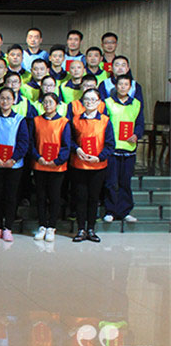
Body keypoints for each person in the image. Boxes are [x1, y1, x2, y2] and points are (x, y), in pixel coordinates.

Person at [69, 89, 115, 242]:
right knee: (80, 197)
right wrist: (77, 149)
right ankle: (81, 229)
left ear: (99, 102)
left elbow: (110, 144)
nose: (89, 102)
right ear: (82, 101)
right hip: (79, 165)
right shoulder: (75, 120)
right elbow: (69, 140)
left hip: (98, 166)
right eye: (86, 99)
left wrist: (99, 157)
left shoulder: (105, 121)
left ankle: (91, 229)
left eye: (93, 99)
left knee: (94, 198)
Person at [0, 87, 29, 242]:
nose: (5, 101)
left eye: (8, 98)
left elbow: (24, 142)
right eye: (2, 98)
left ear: (14, 100)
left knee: (11, 196)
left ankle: (8, 227)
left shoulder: (20, 119)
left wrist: (14, 159)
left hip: (14, 165)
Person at [103, 75, 144, 224]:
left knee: (125, 182)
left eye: (126, 84)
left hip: (129, 148)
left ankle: (125, 211)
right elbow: (104, 123)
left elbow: (140, 123)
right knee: (111, 182)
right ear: (116, 86)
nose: (123, 87)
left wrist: (136, 134)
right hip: (112, 148)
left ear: (130, 87)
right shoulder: (108, 102)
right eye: (120, 84)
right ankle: (110, 211)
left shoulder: (136, 104)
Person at [30, 93, 71, 242]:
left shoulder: (64, 122)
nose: (47, 105)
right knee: (41, 197)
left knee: (54, 197)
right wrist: (38, 157)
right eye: (45, 102)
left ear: (57, 104)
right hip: (40, 165)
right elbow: (31, 142)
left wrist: (58, 160)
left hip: (56, 166)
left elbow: (66, 145)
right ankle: (42, 225)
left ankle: (51, 226)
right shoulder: (36, 121)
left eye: (50, 102)